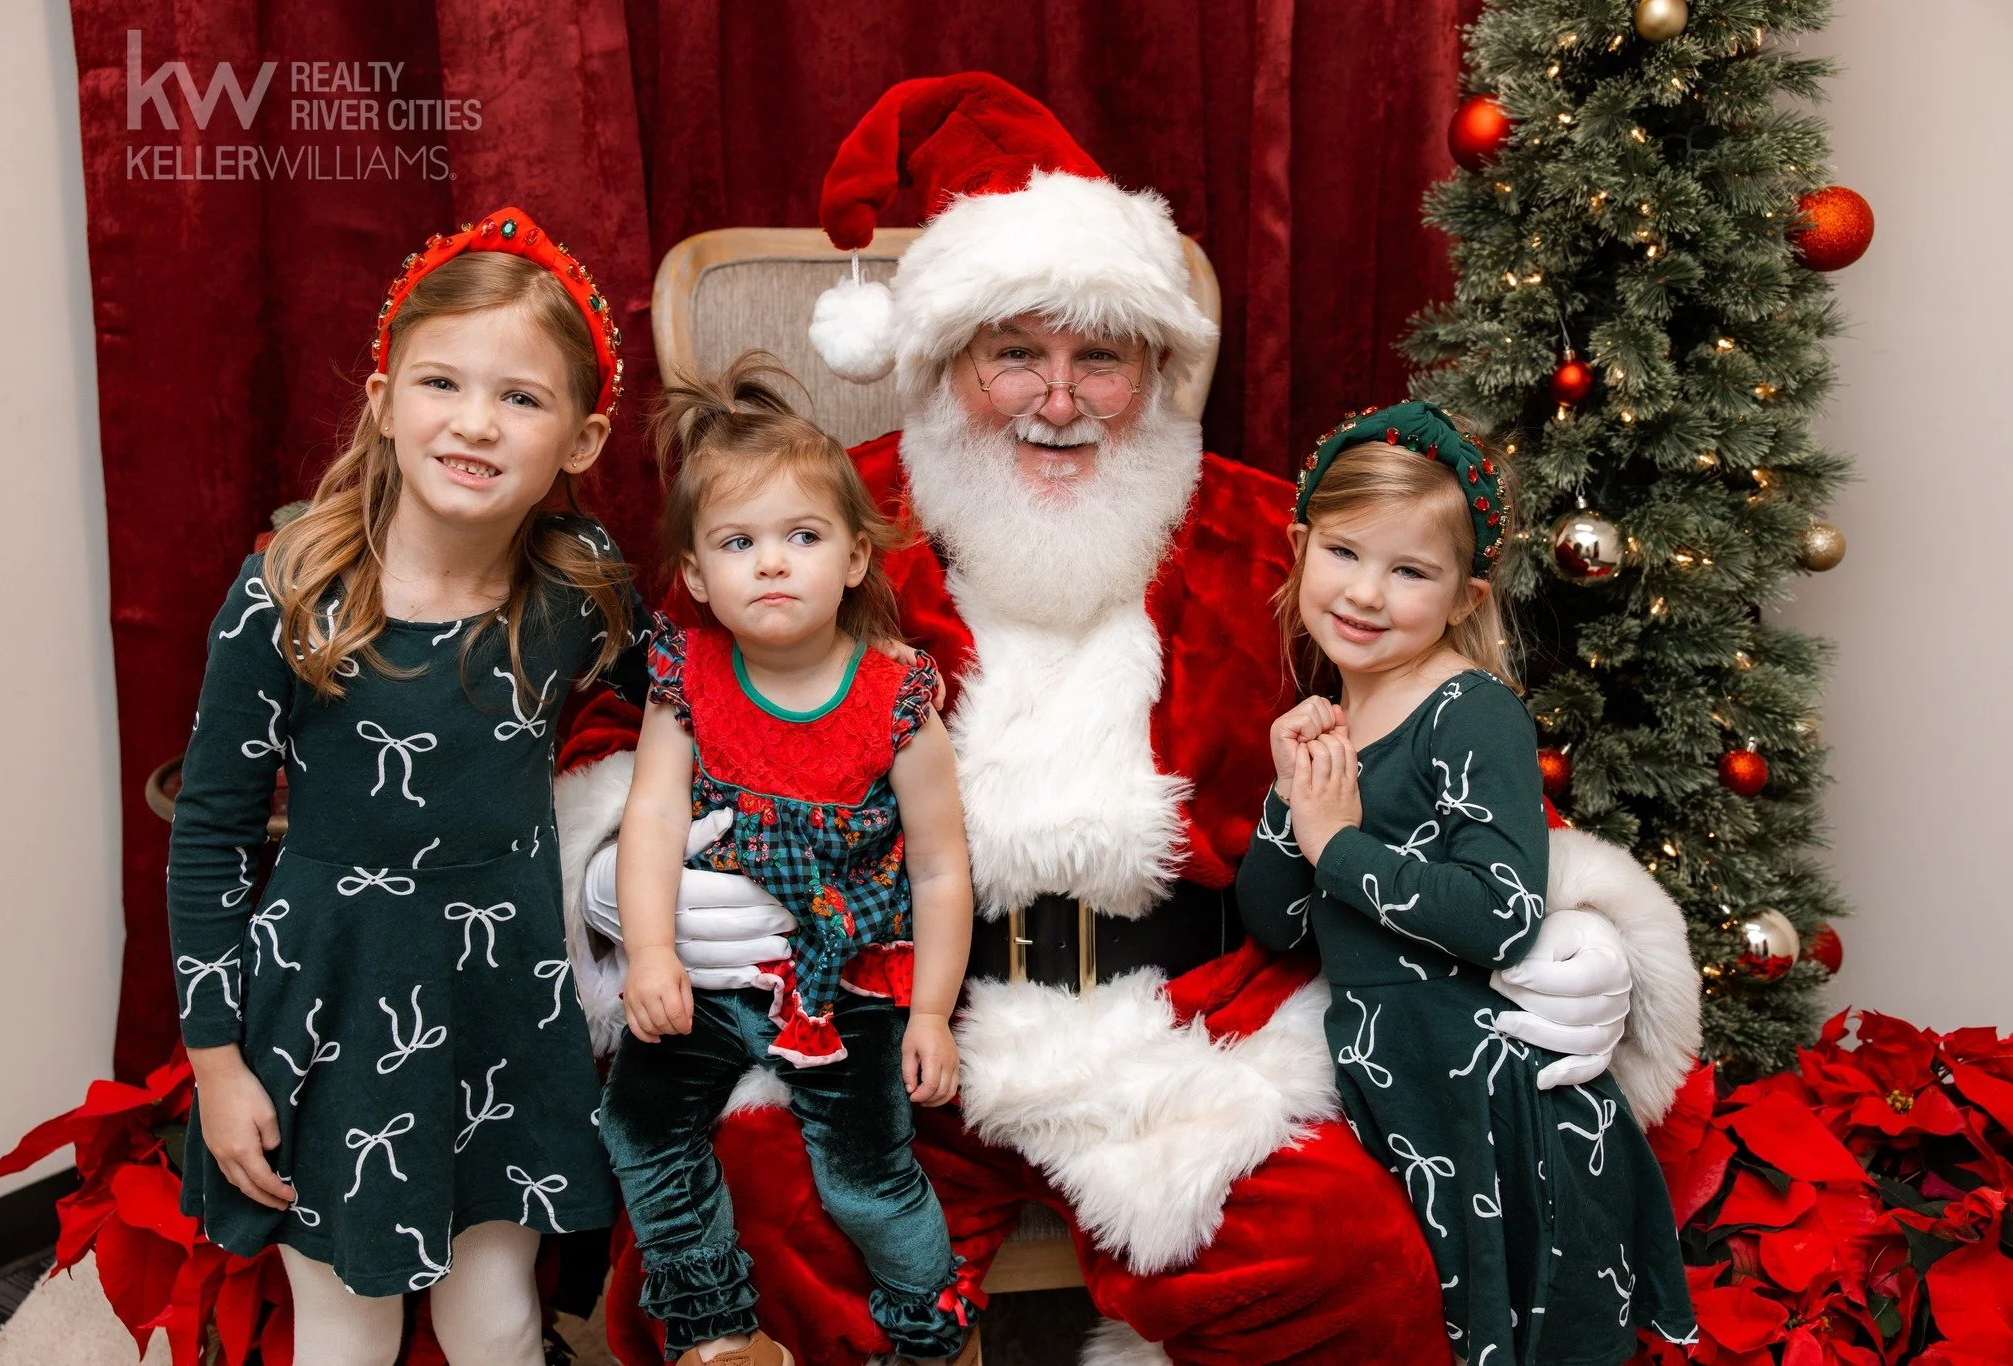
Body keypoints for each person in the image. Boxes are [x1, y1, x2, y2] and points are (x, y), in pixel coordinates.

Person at [557, 74, 1700, 1366]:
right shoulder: (823, 527)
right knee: (747, 1235)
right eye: (1016, 355)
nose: (1059, 399)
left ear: (1154, 367)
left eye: (1099, 354)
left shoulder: (1269, 540)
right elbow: (624, 720)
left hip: (1193, 1030)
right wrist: (614, 874)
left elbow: (1427, 719)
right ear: (945, 362)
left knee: (1361, 1263)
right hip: (883, 1014)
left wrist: (1576, 923)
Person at [168, 206, 643, 1365]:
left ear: (580, 441)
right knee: (346, 1326)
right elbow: (213, 835)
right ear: (383, 401)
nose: (474, 422)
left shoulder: (580, 591)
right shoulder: (288, 590)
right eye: (441, 382)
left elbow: (689, 705)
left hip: (501, 1011)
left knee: (496, 1314)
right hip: (328, 1005)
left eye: (521, 398)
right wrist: (217, 1063)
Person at [1236, 401, 1699, 1364]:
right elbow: (1278, 924)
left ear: (1463, 597)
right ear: (1299, 548)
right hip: (1389, 1077)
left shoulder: (1470, 712)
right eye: (1345, 554)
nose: (1365, 594)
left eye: (1409, 571)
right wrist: (1291, 803)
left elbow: (1501, 915)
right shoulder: (1329, 715)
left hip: (1488, 1096)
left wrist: (1338, 843)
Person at [598, 354, 974, 1366]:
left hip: (847, 977)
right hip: (716, 976)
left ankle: (929, 1337)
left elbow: (940, 868)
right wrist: (647, 952)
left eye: (800, 538)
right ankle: (716, 1327)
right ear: (693, 575)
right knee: (639, 1123)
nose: (770, 563)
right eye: (738, 542)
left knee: (863, 1173)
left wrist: (929, 1009)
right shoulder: (686, 682)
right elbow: (649, 819)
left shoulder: (895, 701)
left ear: (855, 558)